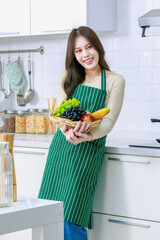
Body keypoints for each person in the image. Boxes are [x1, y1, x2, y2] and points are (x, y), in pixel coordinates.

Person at [38, 26, 125, 240]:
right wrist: (66, 131)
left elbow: (107, 123)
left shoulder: (115, 81)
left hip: (86, 154)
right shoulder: (67, 76)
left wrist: (86, 136)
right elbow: (59, 113)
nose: (85, 54)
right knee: (49, 213)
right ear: (73, 55)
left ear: (98, 47)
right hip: (61, 150)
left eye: (89, 47)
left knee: (72, 216)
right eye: (78, 51)